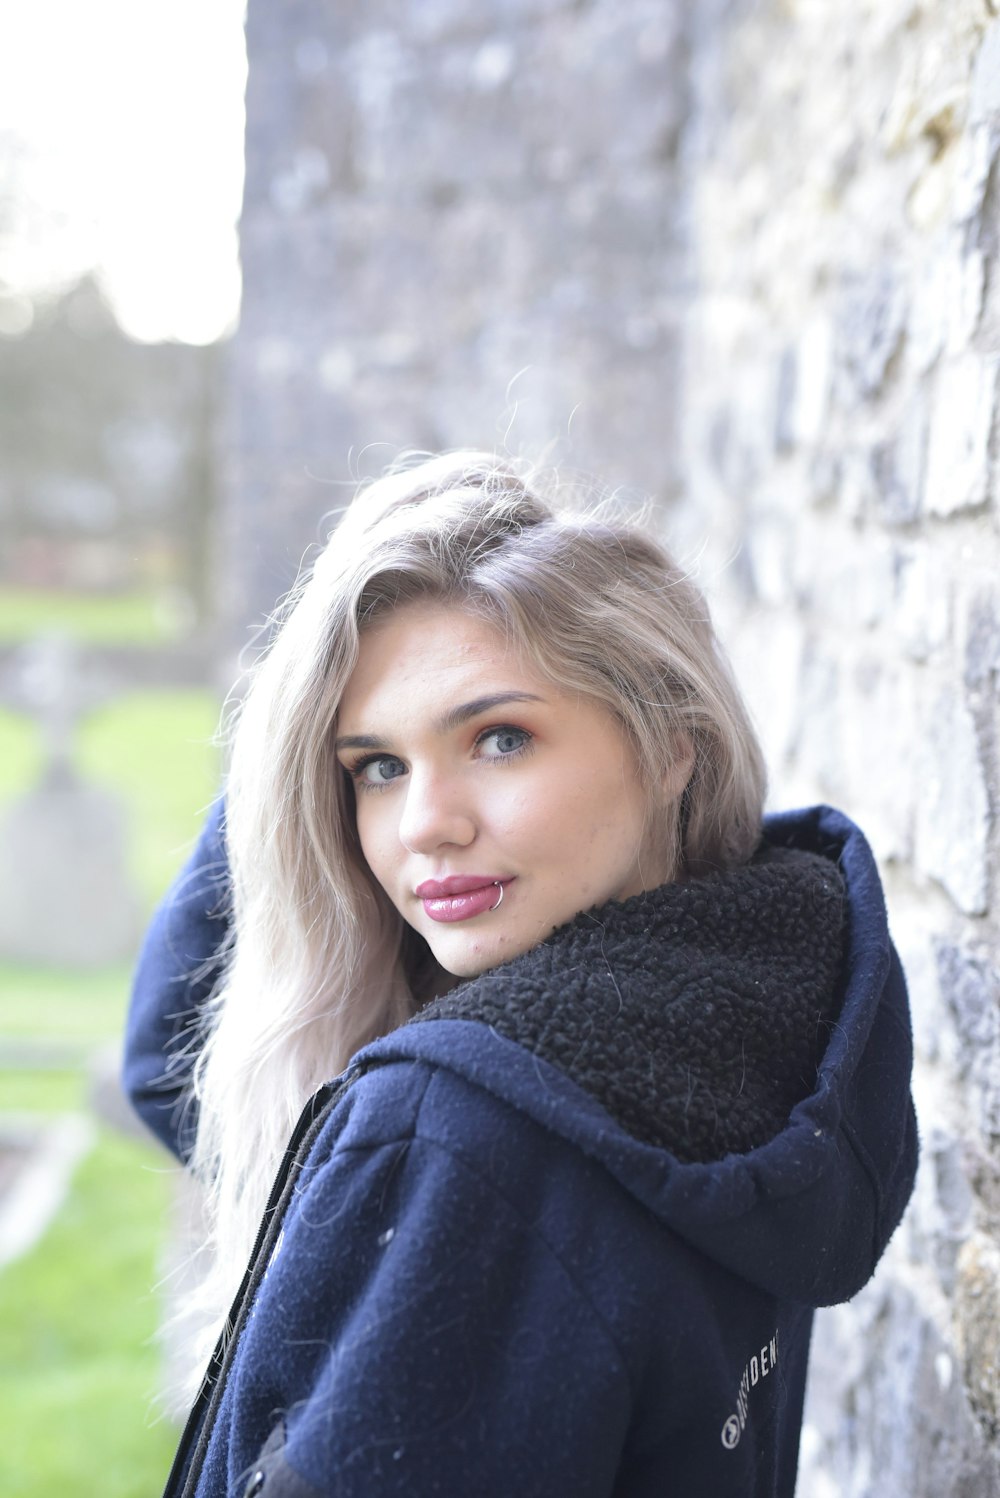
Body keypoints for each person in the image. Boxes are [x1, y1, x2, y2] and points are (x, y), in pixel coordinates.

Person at [124, 451, 918, 1498]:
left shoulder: (463, 1131)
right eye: (375, 765)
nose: (424, 824)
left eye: (500, 737)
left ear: (671, 743)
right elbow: (174, 1062)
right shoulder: (759, 1003)